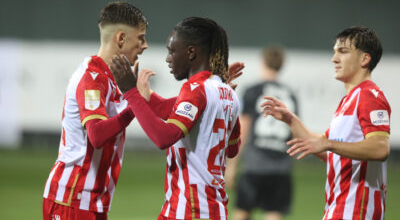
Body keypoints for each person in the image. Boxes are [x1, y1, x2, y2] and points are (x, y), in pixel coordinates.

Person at [110, 17, 242, 220]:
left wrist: (130, 92)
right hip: (214, 210)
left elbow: (164, 137)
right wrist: (141, 92)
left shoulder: (195, 90)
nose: (167, 59)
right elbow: (232, 148)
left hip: (189, 209)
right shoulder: (228, 93)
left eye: (172, 51)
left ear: (191, 52)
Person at [261, 27, 391, 220]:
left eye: (343, 51)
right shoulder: (348, 101)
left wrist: (329, 143)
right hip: (338, 208)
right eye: (334, 51)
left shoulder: (370, 97)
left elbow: (380, 148)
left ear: (365, 59)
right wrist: (291, 120)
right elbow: (328, 151)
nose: (334, 58)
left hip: (356, 212)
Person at [42, 1, 149, 220]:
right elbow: (97, 134)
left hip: (92, 201)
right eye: (141, 38)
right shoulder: (92, 78)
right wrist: (134, 107)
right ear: (121, 38)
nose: (144, 45)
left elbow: (159, 105)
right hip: (71, 198)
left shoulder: (114, 78)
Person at [225, 46, 298, 220]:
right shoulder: (290, 94)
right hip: (281, 167)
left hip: (255, 164)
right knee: (273, 214)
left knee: (242, 211)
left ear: (263, 62)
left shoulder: (253, 91)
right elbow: (295, 132)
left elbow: (242, 130)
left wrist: (232, 166)